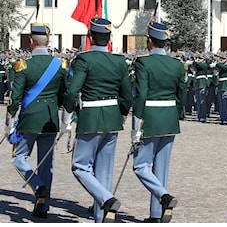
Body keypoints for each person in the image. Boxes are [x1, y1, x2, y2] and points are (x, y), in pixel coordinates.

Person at [63, 17, 133, 223]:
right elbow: (127, 95)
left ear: (89, 37)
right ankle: (101, 217)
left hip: (91, 117)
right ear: (109, 38)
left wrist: (70, 111)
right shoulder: (119, 61)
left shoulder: (84, 60)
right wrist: (121, 113)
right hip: (112, 118)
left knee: (80, 166)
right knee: (104, 170)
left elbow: (72, 91)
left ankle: (106, 199)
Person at [6, 23, 68, 218]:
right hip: (50, 119)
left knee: (19, 158)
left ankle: (38, 186)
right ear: (48, 42)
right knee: (46, 163)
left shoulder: (23, 65)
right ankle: (43, 207)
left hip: (29, 119)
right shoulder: (60, 65)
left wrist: (9, 119)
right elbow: (63, 94)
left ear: (30, 42)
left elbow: (15, 97)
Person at [131, 20, 186, 223]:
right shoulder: (177, 64)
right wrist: (174, 112)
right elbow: (182, 95)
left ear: (149, 41)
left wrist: (137, 121)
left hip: (151, 118)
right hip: (170, 118)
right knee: (161, 168)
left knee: (141, 165)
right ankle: (157, 214)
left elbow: (141, 93)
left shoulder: (144, 63)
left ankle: (164, 197)